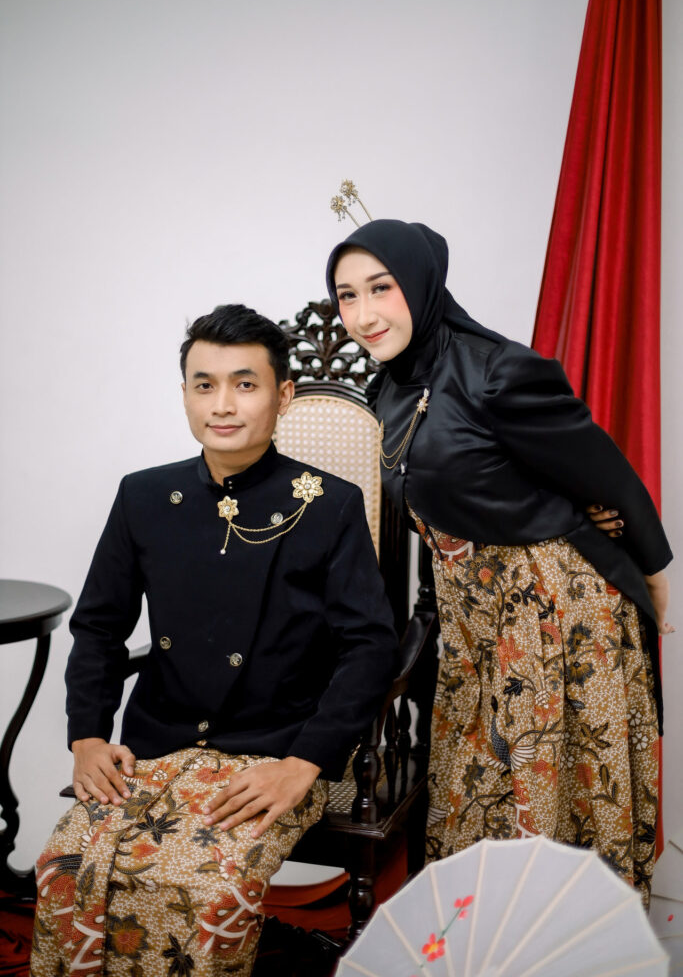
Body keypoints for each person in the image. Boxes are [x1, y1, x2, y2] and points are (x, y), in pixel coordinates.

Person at [31, 304, 397, 977]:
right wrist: (86, 736)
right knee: (63, 868)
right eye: (205, 385)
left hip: (274, 749)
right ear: (185, 394)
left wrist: (303, 763)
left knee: (208, 887)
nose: (222, 404)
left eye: (244, 383)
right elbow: (100, 625)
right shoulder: (144, 496)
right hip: (156, 740)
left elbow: (370, 647)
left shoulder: (330, 503)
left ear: (282, 395)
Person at [326, 219, 673, 907]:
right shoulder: (385, 390)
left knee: (556, 798)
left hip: (556, 615)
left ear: (421, 283)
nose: (363, 315)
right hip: (471, 624)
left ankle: (569, 944)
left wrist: (655, 575)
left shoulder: (496, 369)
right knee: (473, 798)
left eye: (380, 288)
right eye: (346, 296)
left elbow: (606, 473)